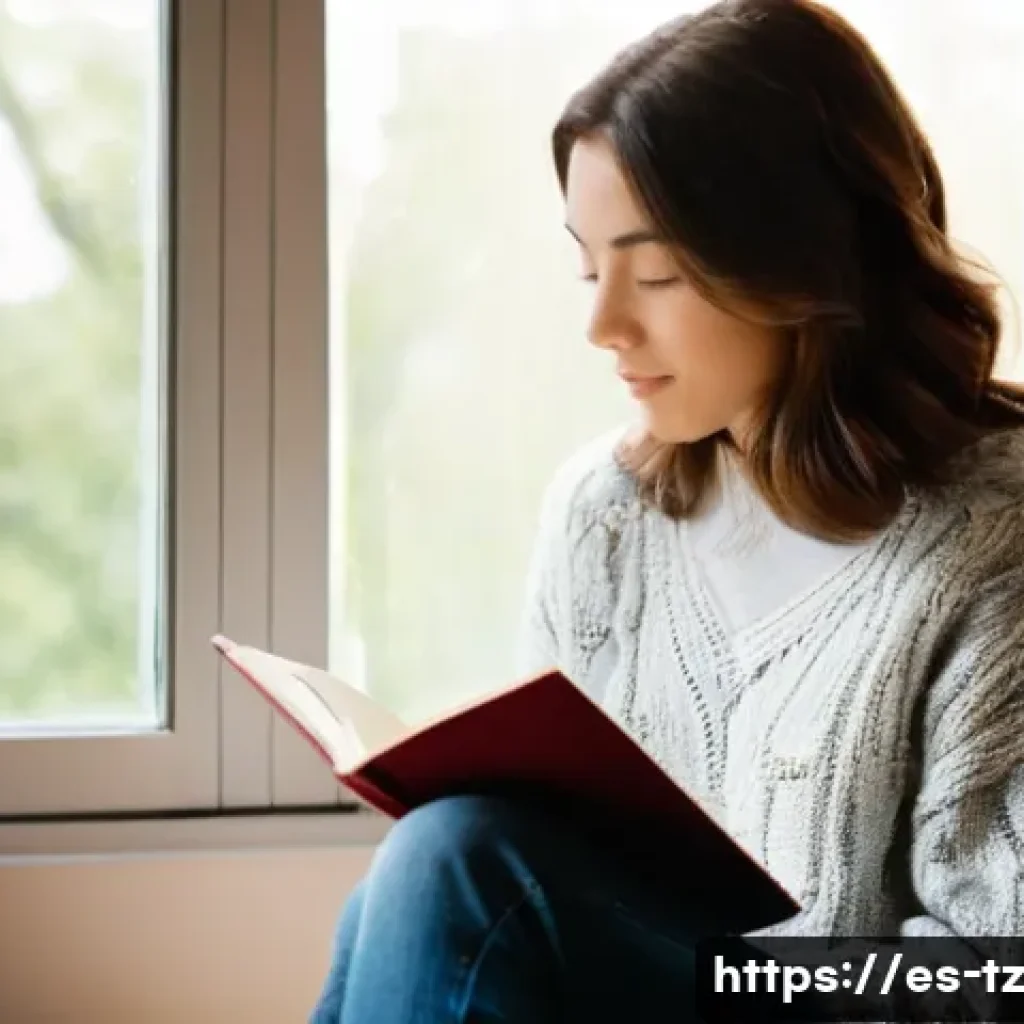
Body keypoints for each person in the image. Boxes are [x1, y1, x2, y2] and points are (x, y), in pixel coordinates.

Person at [310, 0, 1024, 1020]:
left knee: (454, 863)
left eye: (655, 272)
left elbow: (1001, 975)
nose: (601, 322)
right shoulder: (605, 515)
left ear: (802, 259)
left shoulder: (998, 542)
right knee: (419, 873)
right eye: (588, 267)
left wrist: (735, 977)